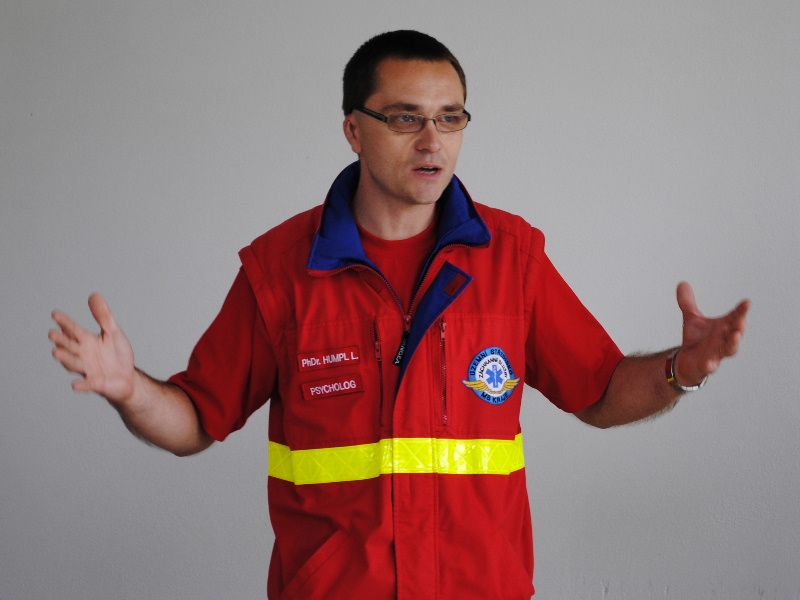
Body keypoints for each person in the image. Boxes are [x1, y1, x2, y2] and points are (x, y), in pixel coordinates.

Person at [49, 30, 750, 600]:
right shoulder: (280, 271)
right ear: (354, 130)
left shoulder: (511, 258)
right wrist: (131, 389)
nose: (432, 140)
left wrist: (680, 370)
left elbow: (599, 391)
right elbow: (196, 420)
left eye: (450, 118)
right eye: (405, 118)